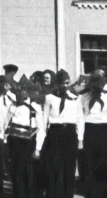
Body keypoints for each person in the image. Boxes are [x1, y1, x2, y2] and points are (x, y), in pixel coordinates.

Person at [41, 69, 84, 198]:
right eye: (61, 83)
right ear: (56, 83)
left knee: (69, 167)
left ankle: (67, 195)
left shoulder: (76, 99)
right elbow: (45, 118)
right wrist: (44, 136)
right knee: (54, 166)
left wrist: (80, 139)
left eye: (66, 83)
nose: (64, 86)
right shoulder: (49, 98)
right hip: (55, 132)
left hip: (70, 133)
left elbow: (80, 118)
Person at [80, 71, 107, 198]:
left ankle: (103, 192)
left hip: (104, 131)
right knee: (89, 162)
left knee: (103, 162)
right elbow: (80, 116)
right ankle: (91, 192)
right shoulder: (83, 98)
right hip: (89, 129)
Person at [6, 77, 44, 198]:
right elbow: (6, 125)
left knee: (28, 175)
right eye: (19, 90)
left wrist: (38, 148)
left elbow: (40, 129)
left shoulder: (34, 108)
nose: (21, 92)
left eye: (24, 90)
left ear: (28, 91)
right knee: (15, 174)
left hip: (28, 144)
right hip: (14, 143)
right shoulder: (13, 106)